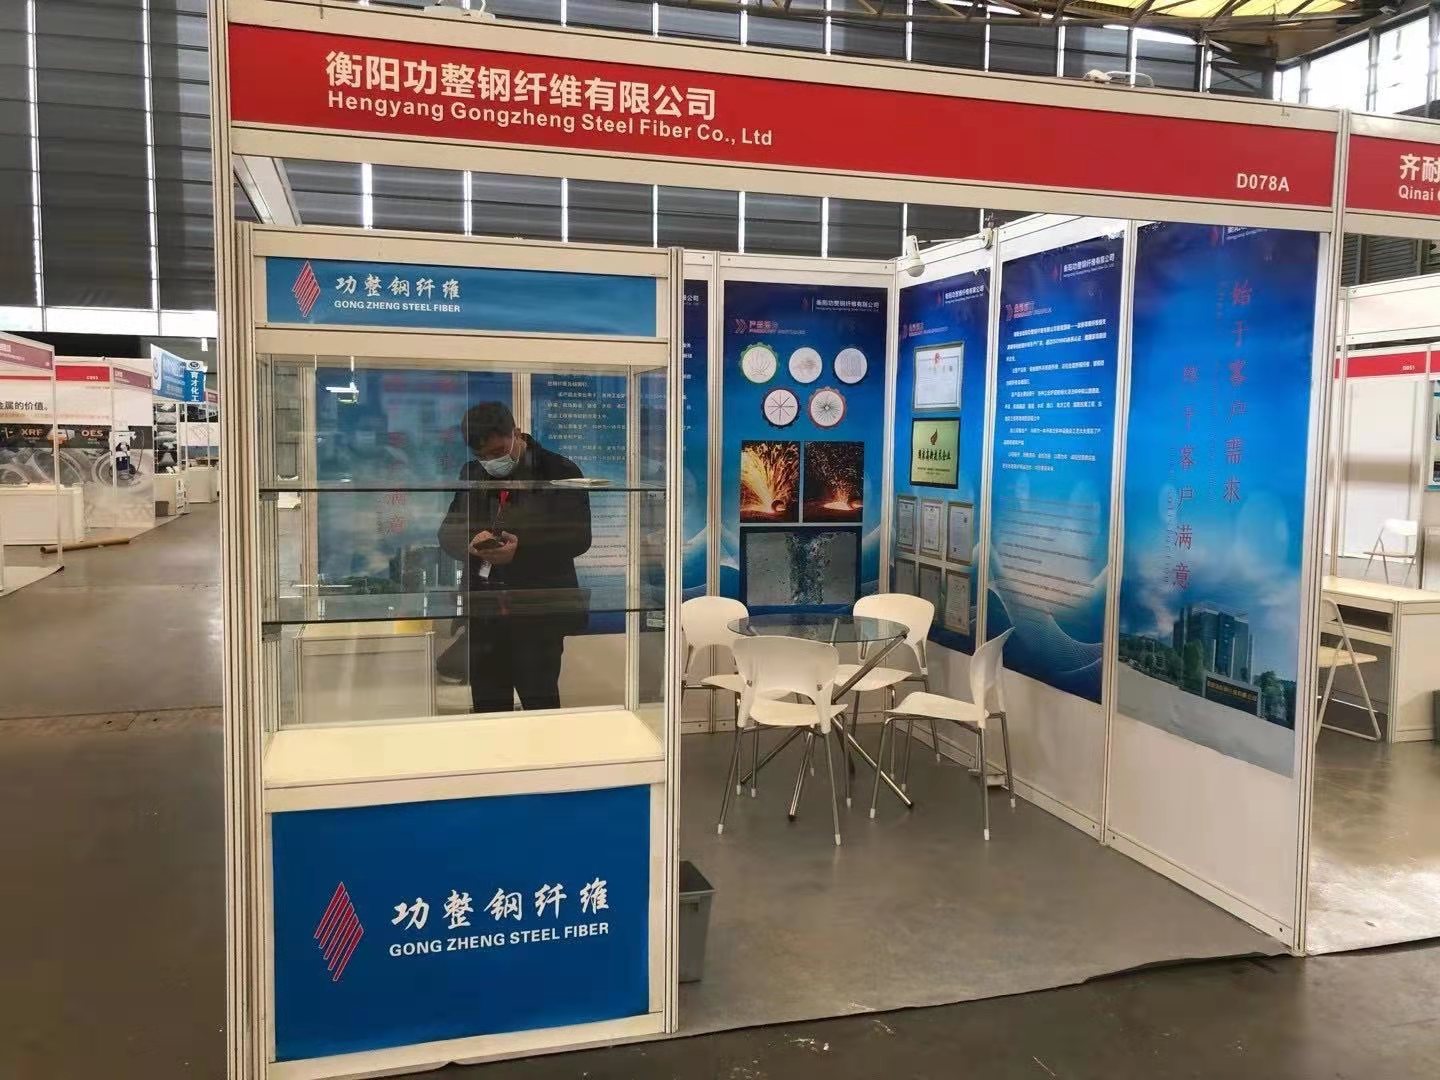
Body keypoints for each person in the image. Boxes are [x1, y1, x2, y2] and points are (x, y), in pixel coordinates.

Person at [438, 402, 592, 713]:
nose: (490, 462)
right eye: (482, 455)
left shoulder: (559, 470)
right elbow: (447, 533)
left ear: (516, 433)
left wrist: (519, 550)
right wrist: (470, 543)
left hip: (538, 610)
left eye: (497, 452)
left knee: (539, 703)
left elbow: (578, 538)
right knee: (488, 707)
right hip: (484, 613)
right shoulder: (472, 472)